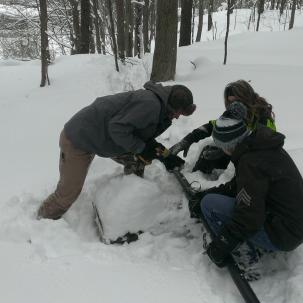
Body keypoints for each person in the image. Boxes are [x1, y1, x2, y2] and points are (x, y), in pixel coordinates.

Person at [37, 81, 196, 220]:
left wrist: (164, 155)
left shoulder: (160, 106)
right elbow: (118, 128)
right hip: (79, 140)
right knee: (67, 194)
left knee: (137, 160)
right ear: (173, 106)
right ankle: (42, 220)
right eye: (179, 113)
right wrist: (140, 148)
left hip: (103, 137)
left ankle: (128, 204)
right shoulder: (151, 105)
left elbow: (141, 134)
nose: (177, 117)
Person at [199, 102, 303, 269]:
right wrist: (204, 193)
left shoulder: (251, 162)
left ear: (229, 146)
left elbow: (249, 217)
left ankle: (246, 258)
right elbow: (240, 187)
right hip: (290, 225)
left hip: (284, 235)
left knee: (209, 205)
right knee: (208, 198)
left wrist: (223, 244)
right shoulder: (260, 146)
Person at [169, 80, 276, 174]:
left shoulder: (263, 118)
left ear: (246, 99)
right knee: (209, 152)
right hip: (236, 152)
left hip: (253, 162)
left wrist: (225, 151)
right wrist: (188, 140)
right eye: (230, 102)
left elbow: (263, 146)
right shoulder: (236, 113)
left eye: (236, 101)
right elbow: (213, 126)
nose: (233, 105)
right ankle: (195, 179)